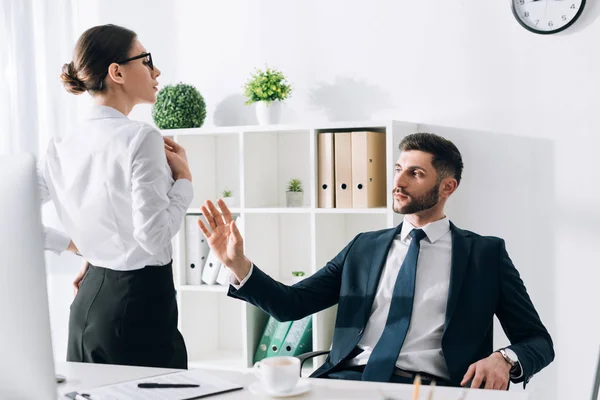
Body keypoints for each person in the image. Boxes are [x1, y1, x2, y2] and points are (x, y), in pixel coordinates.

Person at [198, 132, 554, 389]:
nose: (397, 182)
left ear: (448, 187)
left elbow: (538, 341)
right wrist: (237, 264)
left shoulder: (484, 255)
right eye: (398, 169)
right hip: (346, 382)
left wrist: (504, 359)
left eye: (415, 173)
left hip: (429, 388)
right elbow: (292, 304)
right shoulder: (364, 247)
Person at [39, 24, 192, 368]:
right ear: (117, 72)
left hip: (87, 305)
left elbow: (10, 216)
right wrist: (184, 181)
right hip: (138, 310)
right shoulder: (140, 138)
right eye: (146, 60)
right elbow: (153, 239)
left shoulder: (60, 145)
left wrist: (78, 246)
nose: (156, 71)